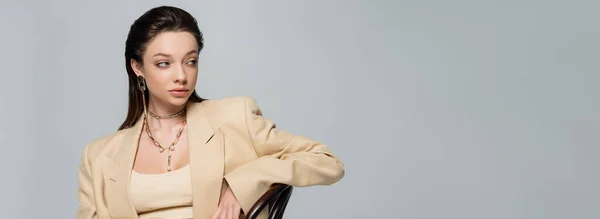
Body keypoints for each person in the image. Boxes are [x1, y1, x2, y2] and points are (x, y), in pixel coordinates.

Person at [75, 5, 345, 219]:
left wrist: (243, 182)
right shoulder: (99, 157)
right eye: (164, 63)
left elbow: (327, 161)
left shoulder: (233, 117)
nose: (181, 75)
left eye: (190, 61)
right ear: (138, 67)